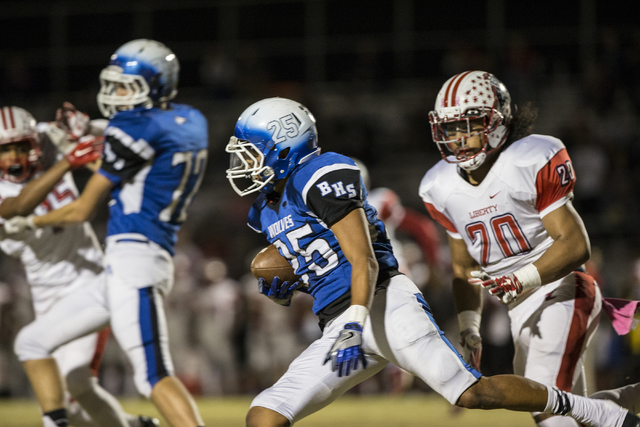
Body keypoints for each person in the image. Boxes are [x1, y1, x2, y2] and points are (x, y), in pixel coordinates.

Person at [224, 97, 640, 427]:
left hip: (384, 305)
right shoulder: (265, 209)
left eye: (251, 152)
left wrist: (354, 319)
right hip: (339, 321)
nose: (244, 163)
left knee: (472, 394)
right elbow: (321, 262)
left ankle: (592, 411)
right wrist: (290, 284)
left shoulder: (319, 173)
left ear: (285, 144)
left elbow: (363, 259)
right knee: (265, 414)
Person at [4, 39, 208, 427]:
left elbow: (83, 207)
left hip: (137, 258)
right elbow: (133, 146)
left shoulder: (131, 130)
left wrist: (32, 222)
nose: (113, 95)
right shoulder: (190, 121)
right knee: (31, 342)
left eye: (124, 87)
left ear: (153, 86)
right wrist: (90, 136)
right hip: (125, 262)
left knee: (152, 377)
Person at [418, 70, 640, 426]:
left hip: (562, 291)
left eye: (470, 124)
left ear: (496, 122)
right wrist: (469, 324)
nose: (459, 138)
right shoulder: (439, 186)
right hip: (519, 310)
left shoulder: (528, 159)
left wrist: (522, 278)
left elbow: (576, 243)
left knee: (547, 408)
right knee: (576, 409)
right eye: (451, 128)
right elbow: (463, 268)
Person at [0, 105, 159, 427]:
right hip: (45, 297)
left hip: (89, 283)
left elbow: (118, 138)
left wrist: (89, 127)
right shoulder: (39, 169)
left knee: (70, 388)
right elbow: (19, 206)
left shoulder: (46, 138)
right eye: (5, 150)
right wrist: (68, 161)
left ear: (34, 142)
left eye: (21, 147)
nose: (14, 157)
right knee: (75, 400)